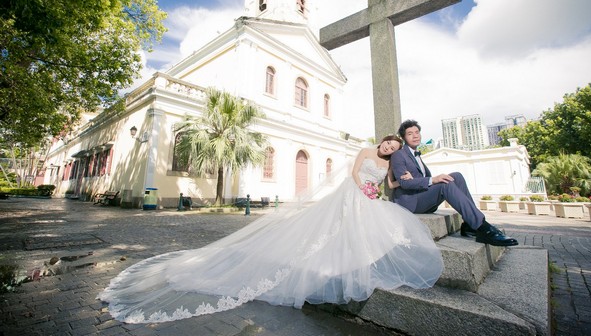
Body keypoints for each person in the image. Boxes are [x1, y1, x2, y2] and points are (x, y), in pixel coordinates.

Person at [98, 135, 443, 323]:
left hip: (368, 198)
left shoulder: (388, 165)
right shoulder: (366, 150)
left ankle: (346, 259)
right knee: (335, 227)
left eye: (394, 149)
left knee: (371, 228)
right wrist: (363, 188)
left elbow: (390, 185)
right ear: (381, 142)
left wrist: (387, 189)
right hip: (352, 194)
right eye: (387, 145)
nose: (387, 150)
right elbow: (355, 173)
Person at [390, 119, 518, 247]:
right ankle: (482, 227)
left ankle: (468, 225)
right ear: (404, 138)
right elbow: (404, 183)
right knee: (444, 184)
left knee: (457, 176)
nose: (415, 135)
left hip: (423, 196)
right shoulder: (399, 155)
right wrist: (433, 179)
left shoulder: (416, 155)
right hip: (411, 202)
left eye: (417, 132)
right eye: (410, 133)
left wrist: (432, 180)